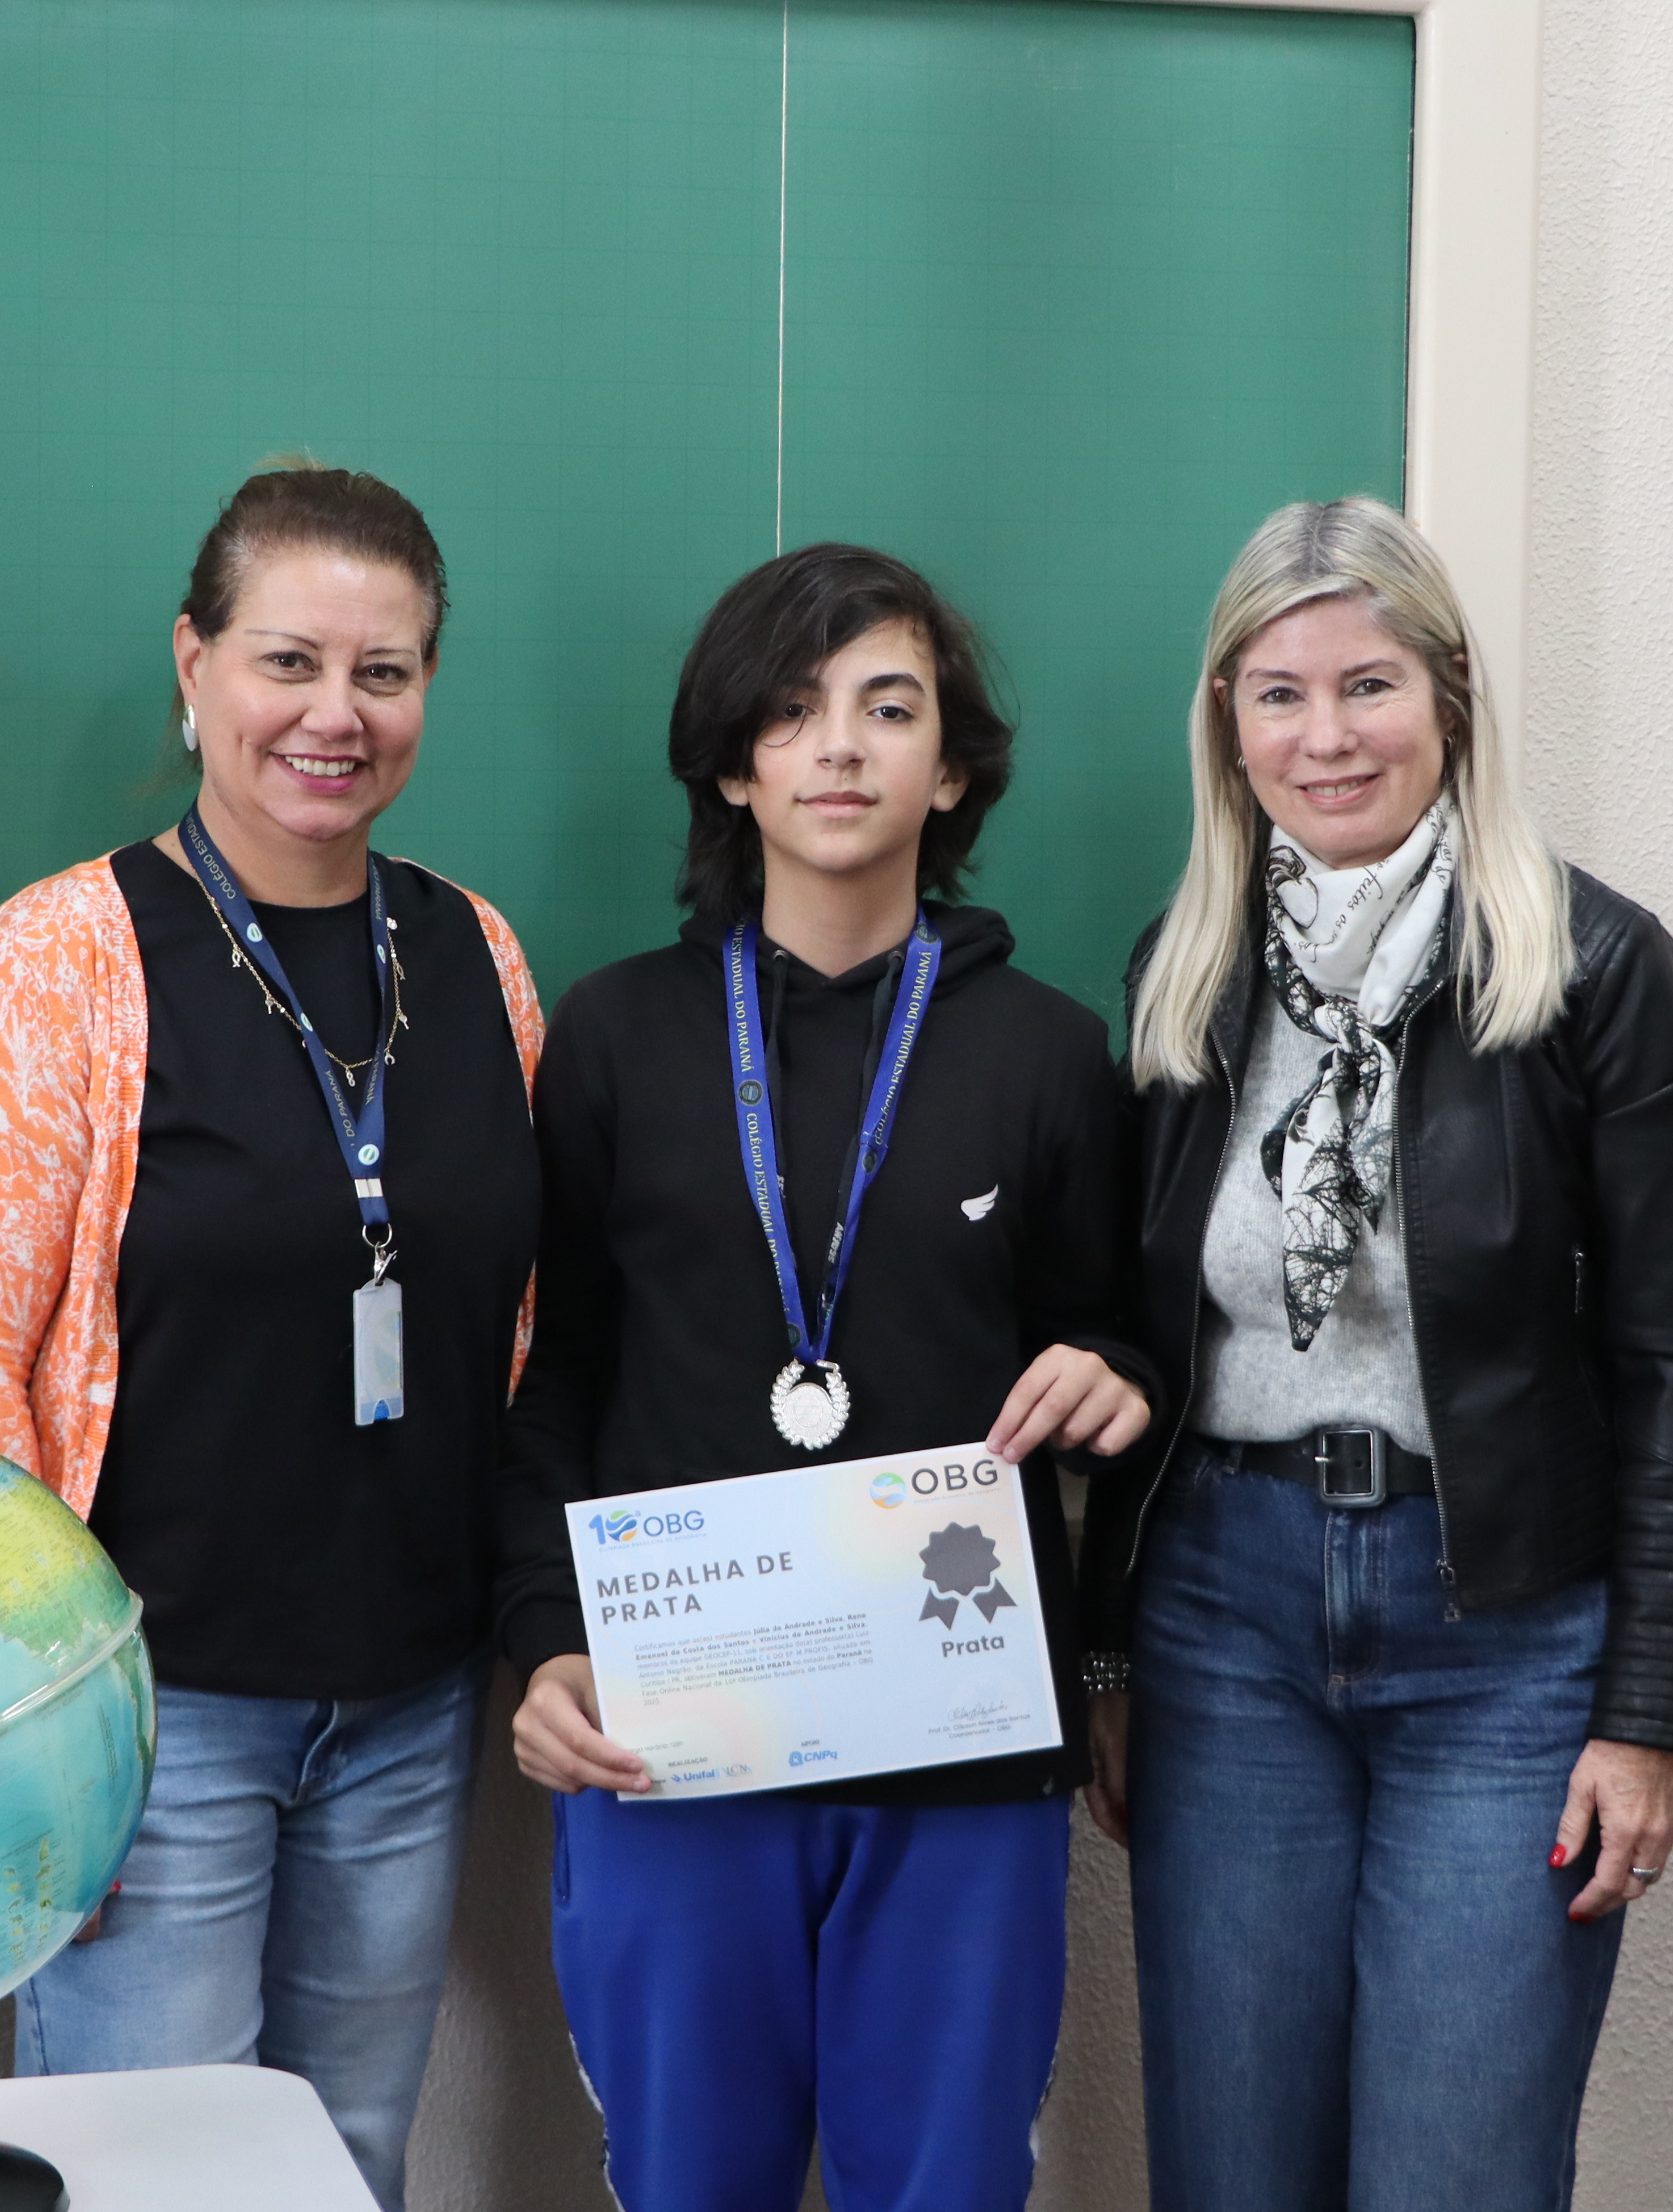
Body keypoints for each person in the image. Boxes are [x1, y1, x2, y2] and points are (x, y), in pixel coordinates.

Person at [1077, 496, 1673, 2212]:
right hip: (1225, 1623)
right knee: (1235, 2172)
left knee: (1456, 2171)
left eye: (1368, 685)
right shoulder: (1184, 976)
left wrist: (1652, 1712)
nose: (1327, 738)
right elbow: (1143, 1342)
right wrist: (1109, 1658)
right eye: (1279, 694)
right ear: (1227, 722)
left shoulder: (1598, 974)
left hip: (1506, 1637)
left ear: (1449, 695)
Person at [0, 462, 539, 2210]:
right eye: (288, 661)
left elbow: (517, 1316)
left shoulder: (476, 952)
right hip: (149, 1716)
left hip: (408, 1700)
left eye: (384, 672)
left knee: (349, 2167)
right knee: (156, 2186)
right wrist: (43, 1728)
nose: (337, 714)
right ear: (194, 665)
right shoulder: (64, 956)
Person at [498, 543, 1153, 2212]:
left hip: (962, 1749)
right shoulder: (618, 1037)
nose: (841, 747)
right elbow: (556, 1372)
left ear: (954, 768)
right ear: (735, 766)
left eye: (889, 707)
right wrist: (546, 1639)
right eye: (792, 712)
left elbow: (1121, 1338)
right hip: (677, 1734)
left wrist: (1117, 1374)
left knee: (942, 2185)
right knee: (687, 2181)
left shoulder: (1051, 1053)